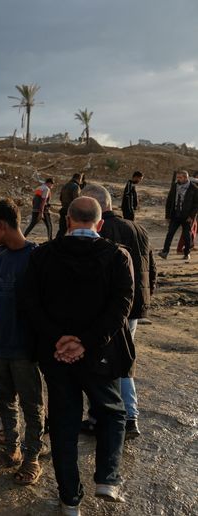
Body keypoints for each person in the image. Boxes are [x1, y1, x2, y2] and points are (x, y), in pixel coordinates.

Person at [22, 197, 134, 515]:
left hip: (55, 355)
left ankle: (70, 499)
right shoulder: (117, 256)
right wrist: (86, 343)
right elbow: (121, 307)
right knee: (112, 412)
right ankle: (107, 480)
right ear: (99, 224)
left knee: (63, 424)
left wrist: (59, 340)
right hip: (101, 355)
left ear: (67, 220)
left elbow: (29, 302)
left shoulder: (42, 254)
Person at [81, 184, 156, 439]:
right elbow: (151, 268)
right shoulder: (138, 228)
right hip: (135, 306)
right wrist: (145, 300)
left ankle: (104, 417)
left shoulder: (101, 231)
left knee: (104, 362)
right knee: (123, 359)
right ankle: (128, 417)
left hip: (111, 308)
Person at [0, 199, 43, 485]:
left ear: (2, 226)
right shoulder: (0, 257)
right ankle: (12, 451)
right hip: (0, 342)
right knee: (5, 400)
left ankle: (32, 459)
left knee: (32, 405)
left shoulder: (38, 257)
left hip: (25, 347)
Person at [160, 170, 198, 261]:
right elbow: (169, 201)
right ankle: (165, 252)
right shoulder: (175, 186)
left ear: (186, 178)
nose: (178, 179)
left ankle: (187, 253)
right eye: (177, 177)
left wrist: (191, 216)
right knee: (170, 234)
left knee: (186, 236)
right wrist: (167, 216)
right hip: (175, 215)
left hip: (187, 216)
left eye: (180, 178)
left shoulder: (194, 188)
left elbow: (196, 205)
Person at [56, 173, 83, 238]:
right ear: (79, 178)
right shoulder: (76, 186)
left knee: (62, 230)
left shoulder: (65, 186)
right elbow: (76, 200)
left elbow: (60, 198)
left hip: (63, 210)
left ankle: (56, 244)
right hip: (72, 212)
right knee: (74, 231)